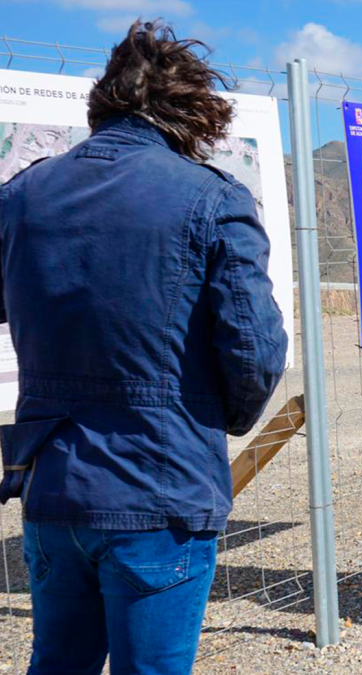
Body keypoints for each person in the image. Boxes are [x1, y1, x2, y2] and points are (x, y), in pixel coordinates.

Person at [0, 22, 287, 674]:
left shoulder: (20, 196)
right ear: (191, 111)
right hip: (160, 490)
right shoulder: (214, 200)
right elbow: (256, 354)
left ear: (102, 103)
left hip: (53, 485)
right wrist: (217, 419)